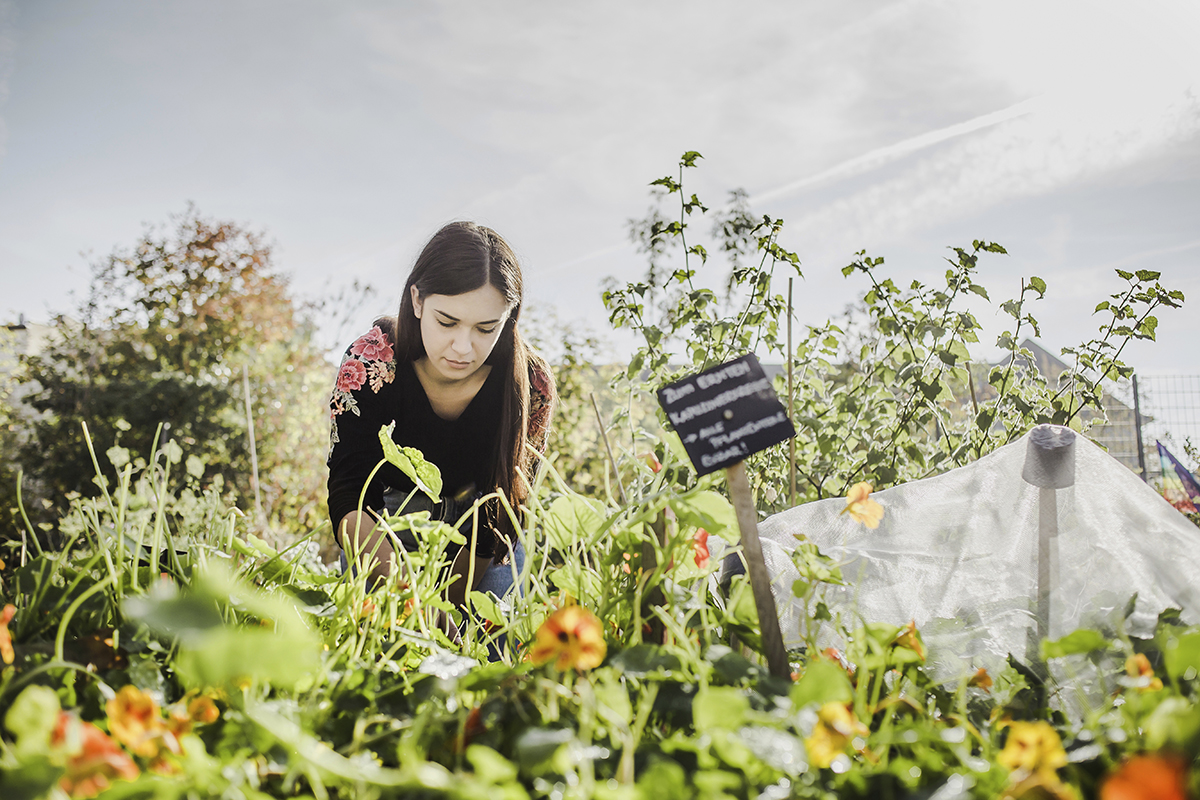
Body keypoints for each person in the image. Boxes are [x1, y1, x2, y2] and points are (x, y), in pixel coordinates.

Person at [327, 221, 556, 608]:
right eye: (446, 322)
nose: (463, 347)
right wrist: (416, 604)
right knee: (376, 649)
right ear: (417, 300)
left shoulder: (530, 383)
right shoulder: (371, 361)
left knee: (483, 649)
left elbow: (504, 510)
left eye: (486, 328)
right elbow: (349, 496)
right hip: (384, 529)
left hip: (483, 539)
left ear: (510, 317)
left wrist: (448, 609)